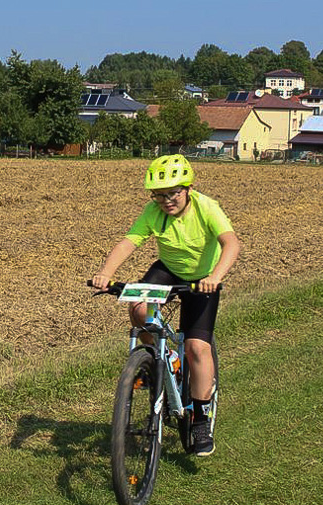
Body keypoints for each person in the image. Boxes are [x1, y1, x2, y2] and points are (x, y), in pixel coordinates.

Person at [91, 154, 241, 456]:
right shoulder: (153, 212)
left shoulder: (206, 208)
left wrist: (215, 276)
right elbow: (129, 243)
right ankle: (164, 357)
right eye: (158, 195)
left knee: (198, 347)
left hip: (203, 279)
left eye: (172, 194)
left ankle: (200, 417)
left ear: (187, 188)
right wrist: (106, 274)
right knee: (136, 306)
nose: (165, 201)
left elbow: (231, 242)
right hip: (168, 270)